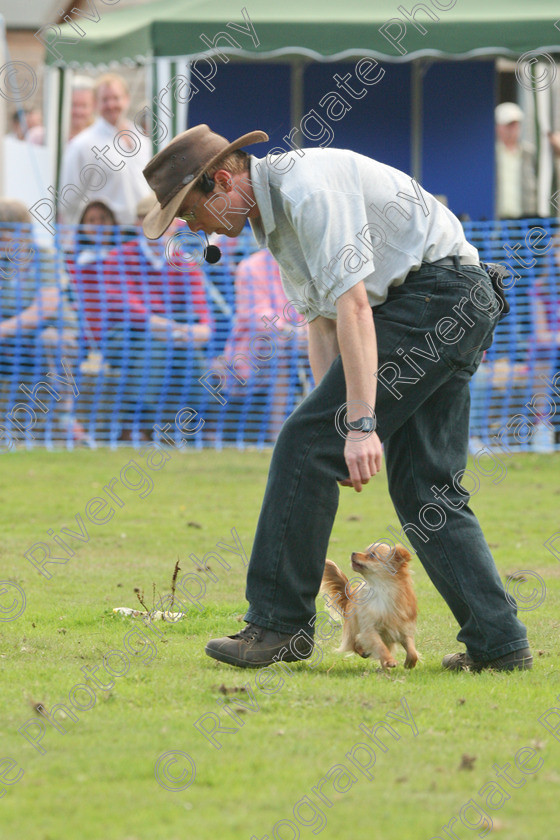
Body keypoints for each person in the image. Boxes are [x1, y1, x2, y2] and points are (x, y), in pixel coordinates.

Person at [141, 124, 533, 673]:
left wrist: (356, 426)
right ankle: (499, 644)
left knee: (304, 443)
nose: (190, 227)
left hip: (437, 297)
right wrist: (334, 420)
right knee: (426, 490)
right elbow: (322, 326)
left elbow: (352, 307)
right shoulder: (274, 218)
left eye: (188, 212)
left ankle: (278, 624)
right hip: (455, 299)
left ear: (223, 182)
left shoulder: (307, 191)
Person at [0, 199, 87, 443]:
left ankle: (65, 417)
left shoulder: (46, 257)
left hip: (53, 331)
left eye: (3, 233)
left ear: (22, 232)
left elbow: (45, 306)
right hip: (12, 339)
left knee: (50, 340)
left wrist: (4, 329)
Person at [60, 73, 152, 225]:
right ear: (95, 104)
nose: (111, 105)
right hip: (108, 236)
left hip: (144, 232)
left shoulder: (142, 139)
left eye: (116, 98)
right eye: (105, 100)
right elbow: (69, 199)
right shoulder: (82, 144)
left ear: (127, 99)